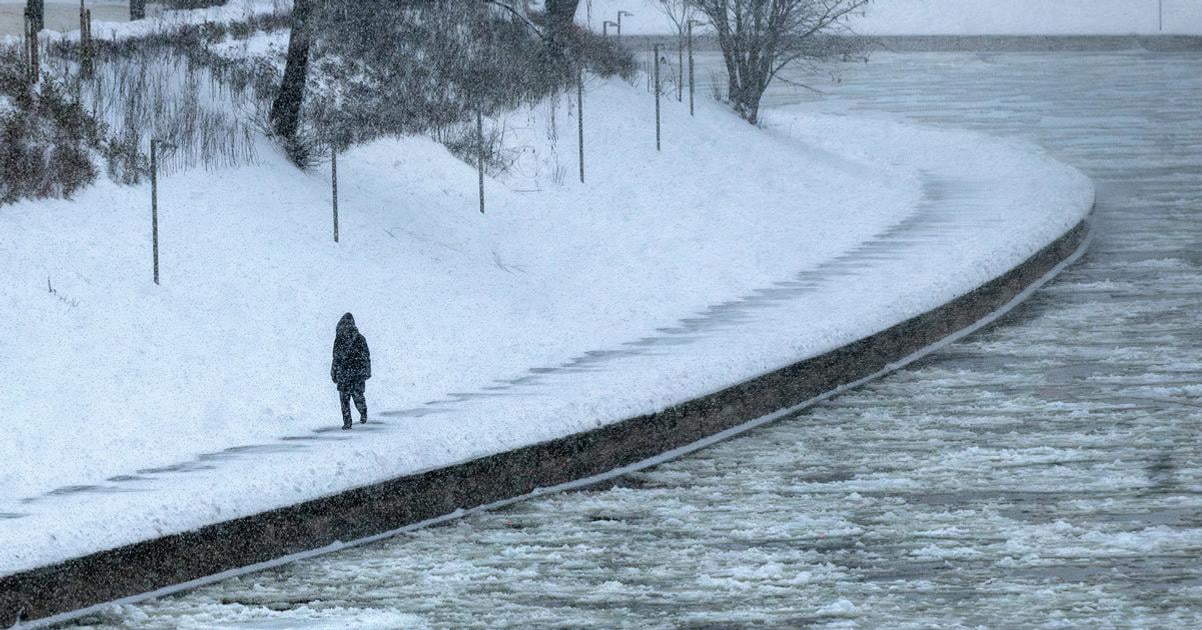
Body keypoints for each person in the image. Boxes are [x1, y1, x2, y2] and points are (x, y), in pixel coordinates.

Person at [331, 312, 371, 429]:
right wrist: (334, 371)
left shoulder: (357, 339)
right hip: (350, 373)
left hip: (351, 373)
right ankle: (351, 419)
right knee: (351, 397)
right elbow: (336, 358)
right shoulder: (343, 339)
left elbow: (336, 358)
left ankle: (357, 416)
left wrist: (334, 371)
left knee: (350, 398)